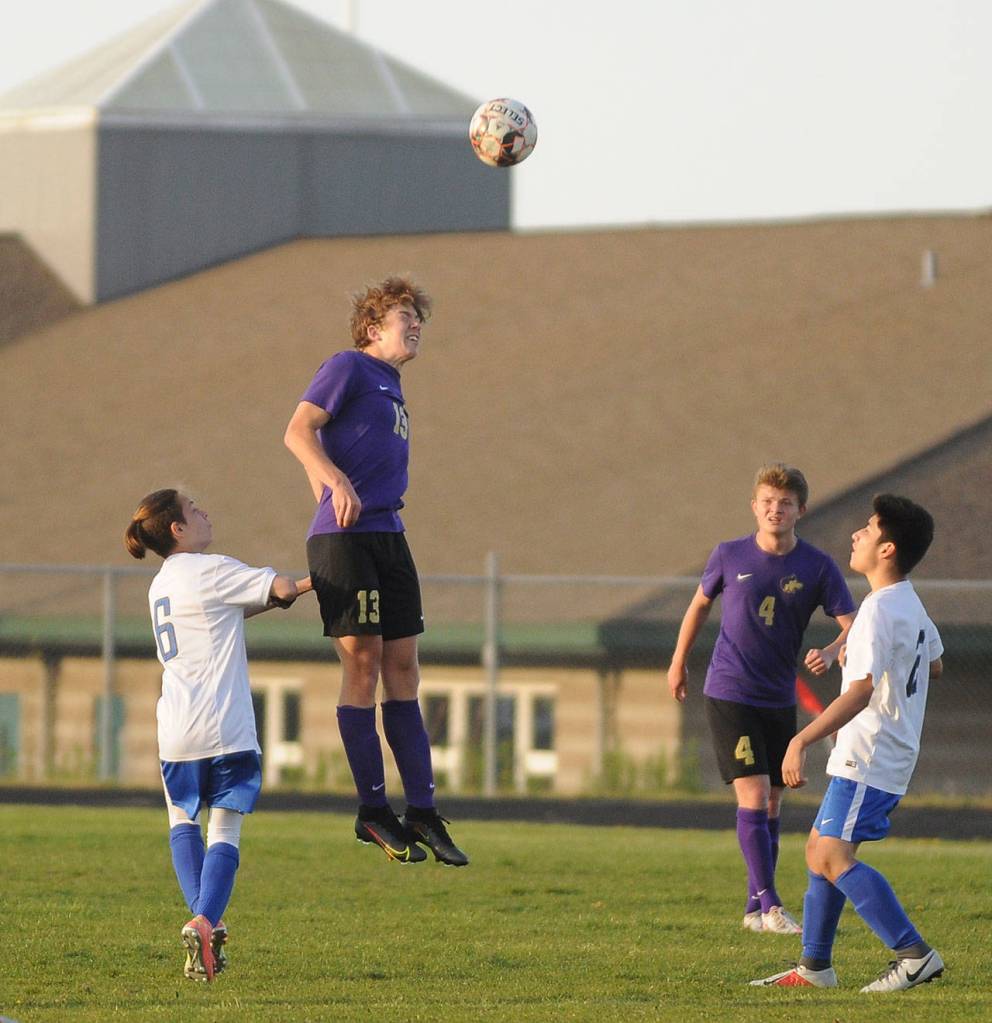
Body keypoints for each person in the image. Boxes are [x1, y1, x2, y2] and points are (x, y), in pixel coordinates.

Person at [283, 275, 468, 867]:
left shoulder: (391, 385)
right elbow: (297, 429)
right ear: (372, 328)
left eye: (419, 318)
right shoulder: (348, 366)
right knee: (362, 662)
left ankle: (422, 811)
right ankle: (371, 811)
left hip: (389, 535)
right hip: (344, 540)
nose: (415, 326)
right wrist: (331, 476)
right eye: (404, 317)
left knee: (405, 666)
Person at [752, 494, 944, 992]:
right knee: (820, 849)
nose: (857, 535)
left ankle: (914, 954)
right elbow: (935, 663)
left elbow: (860, 692)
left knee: (831, 857)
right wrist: (851, 650)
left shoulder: (880, 611)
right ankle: (815, 969)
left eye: (868, 528)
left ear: (887, 549)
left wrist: (800, 741)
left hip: (871, 752)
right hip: (882, 749)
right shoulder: (906, 602)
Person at [125, 489, 311, 981]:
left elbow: (227, 612)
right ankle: (205, 921)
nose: (205, 511)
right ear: (177, 530)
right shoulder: (210, 568)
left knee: (182, 824)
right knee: (224, 831)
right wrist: (322, 580)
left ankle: (203, 925)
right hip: (225, 726)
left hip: (176, 728)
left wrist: (272, 598)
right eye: (194, 508)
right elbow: (284, 588)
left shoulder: (161, 585)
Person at [667, 464, 855, 934]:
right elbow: (699, 605)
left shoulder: (816, 566)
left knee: (772, 802)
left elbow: (854, 626)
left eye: (785, 503)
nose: (776, 510)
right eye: (768, 501)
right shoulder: (728, 555)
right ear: (754, 506)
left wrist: (833, 653)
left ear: (800, 511)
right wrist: (678, 660)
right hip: (730, 691)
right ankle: (769, 902)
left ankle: (755, 909)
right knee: (751, 793)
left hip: (777, 696)